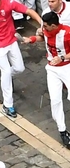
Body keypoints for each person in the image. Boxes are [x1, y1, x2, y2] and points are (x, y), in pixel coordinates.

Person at [22, 12, 70, 148]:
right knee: (55, 100)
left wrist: (62, 58)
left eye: (46, 26)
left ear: (54, 25)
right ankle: (62, 131)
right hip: (52, 68)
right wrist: (30, 39)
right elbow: (43, 38)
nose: (44, 28)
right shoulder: (46, 30)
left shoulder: (67, 33)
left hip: (67, 67)